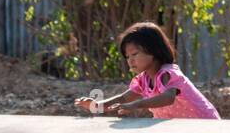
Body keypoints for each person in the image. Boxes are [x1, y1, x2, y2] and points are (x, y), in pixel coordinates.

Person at [74, 21, 220, 119]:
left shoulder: (168, 73)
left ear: (153, 51)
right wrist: (97, 106)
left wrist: (136, 104)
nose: (130, 60)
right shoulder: (142, 80)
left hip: (205, 126)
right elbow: (123, 98)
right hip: (182, 132)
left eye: (135, 54)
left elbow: (168, 98)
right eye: (127, 56)